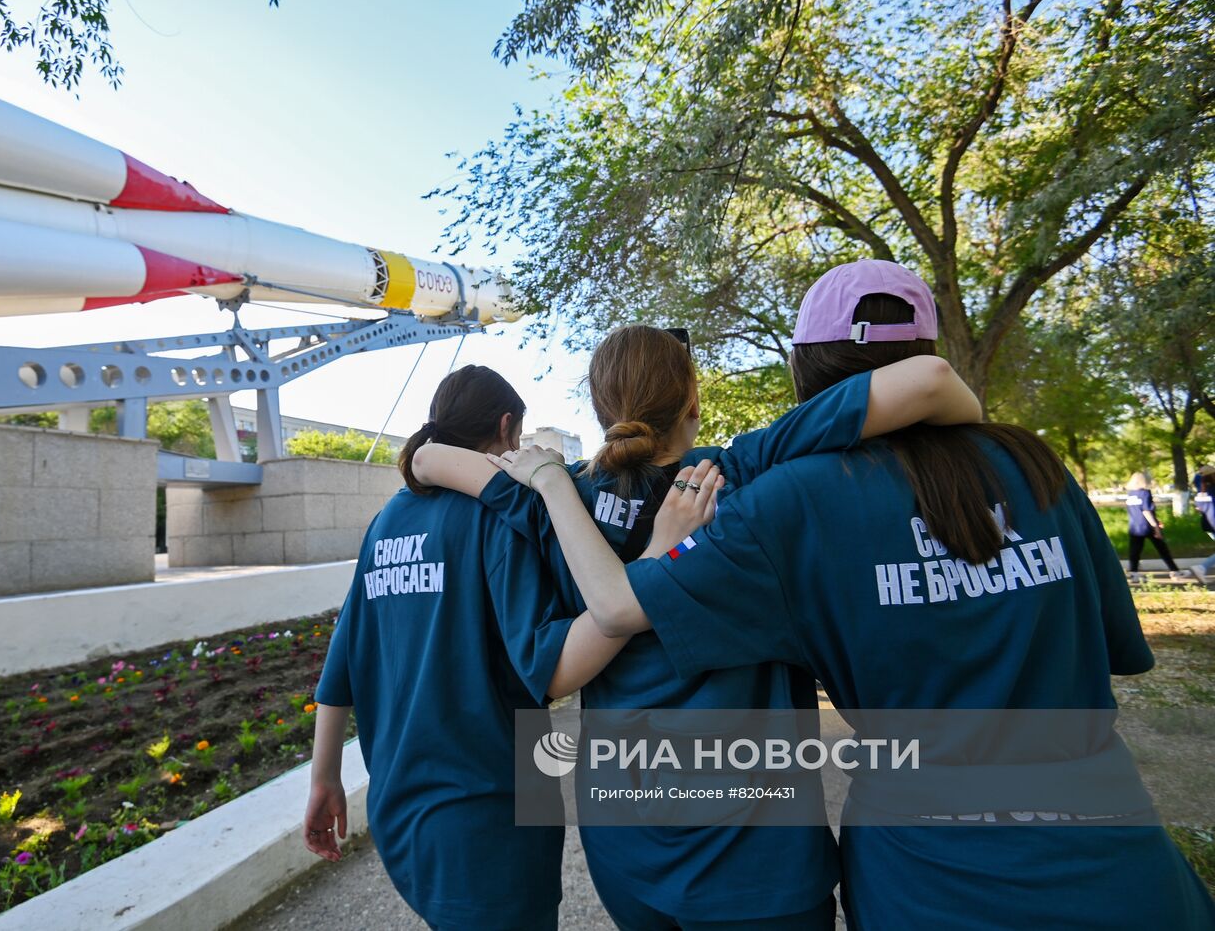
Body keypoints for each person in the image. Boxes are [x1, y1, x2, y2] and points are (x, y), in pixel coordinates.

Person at [490, 260, 1215, 930]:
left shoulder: (783, 503)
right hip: (1118, 857)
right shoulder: (1034, 463)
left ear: (804, 367)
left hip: (921, 876)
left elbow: (606, 616)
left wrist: (547, 481)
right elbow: (1115, 650)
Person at [410, 325, 983, 930]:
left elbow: (427, 457)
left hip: (627, 852)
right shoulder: (739, 474)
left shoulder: (560, 502)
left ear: (603, 409)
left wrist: (545, 474)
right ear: (693, 403)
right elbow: (932, 380)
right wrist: (981, 437)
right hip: (757, 861)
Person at [301, 364, 719, 931]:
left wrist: (323, 776)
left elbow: (344, 656)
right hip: (492, 806)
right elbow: (550, 669)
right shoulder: (496, 518)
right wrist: (643, 579)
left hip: (401, 803)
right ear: (506, 428)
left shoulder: (385, 522)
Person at [1125, 471, 1181, 578]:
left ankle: (1133, 573)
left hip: (1134, 527)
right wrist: (1156, 527)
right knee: (1162, 549)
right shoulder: (1145, 493)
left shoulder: (1130, 494)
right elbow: (1146, 511)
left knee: (1135, 551)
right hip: (1147, 526)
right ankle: (1175, 571)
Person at [1193, 465, 1215, 584]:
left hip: (1207, 524)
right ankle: (1201, 568)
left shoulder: (1201, 492)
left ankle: (1202, 568)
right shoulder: (1213, 490)